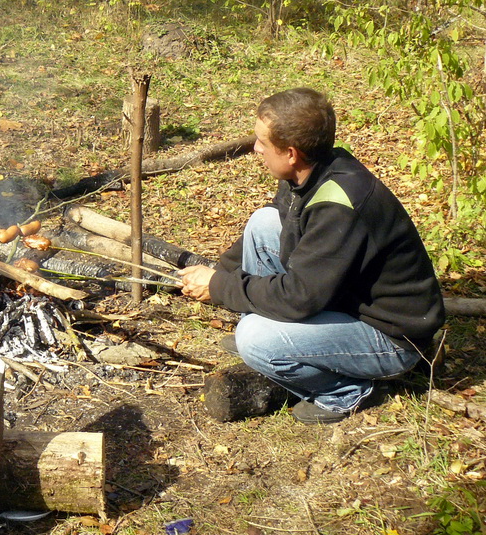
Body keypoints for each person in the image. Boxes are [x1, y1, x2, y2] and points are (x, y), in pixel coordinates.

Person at [179, 88, 445, 424]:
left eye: (262, 141)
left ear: (291, 153)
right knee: (264, 222)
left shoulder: (339, 206)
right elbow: (274, 233)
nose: (256, 148)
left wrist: (220, 287)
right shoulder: (310, 172)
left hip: (393, 337)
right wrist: (217, 272)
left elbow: (299, 297)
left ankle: (347, 393)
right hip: (343, 299)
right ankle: (275, 336)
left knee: (254, 339)